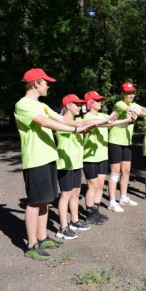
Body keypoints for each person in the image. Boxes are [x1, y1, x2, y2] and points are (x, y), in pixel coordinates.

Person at [14, 68, 95, 260]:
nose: (48, 86)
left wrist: (87, 125)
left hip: (50, 158)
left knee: (45, 201)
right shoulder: (23, 105)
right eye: (45, 82)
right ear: (36, 83)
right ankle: (31, 245)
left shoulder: (42, 105)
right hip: (35, 160)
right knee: (34, 203)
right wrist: (76, 131)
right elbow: (45, 123)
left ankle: (43, 238)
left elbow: (62, 119)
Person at [54, 94, 114, 239]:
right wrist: (102, 121)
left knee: (75, 193)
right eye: (76, 104)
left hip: (76, 163)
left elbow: (87, 124)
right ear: (68, 105)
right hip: (65, 164)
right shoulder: (61, 122)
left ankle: (74, 220)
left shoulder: (77, 120)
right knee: (65, 195)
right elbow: (82, 126)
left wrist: (107, 121)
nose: (80, 107)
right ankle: (63, 227)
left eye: (80, 104)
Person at [107, 82, 146, 212]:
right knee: (115, 173)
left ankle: (123, 197)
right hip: (115, 141)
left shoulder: (134, 104)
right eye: (128, 92)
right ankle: (112, 201)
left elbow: (145, 110)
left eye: (132, 92)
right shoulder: (119, 104)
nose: (131, 95)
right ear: (122, 94)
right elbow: (137, 111)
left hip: (127, 142)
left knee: (126, 171)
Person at [82, 91, 136, 221]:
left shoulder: (102, 114)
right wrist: (110, 119)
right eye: (97, 100)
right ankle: (89, 213)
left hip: (102, 156)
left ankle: (96, 210)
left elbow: (112, 121)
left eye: (101, 100)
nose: (101, 102)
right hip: (90, 157)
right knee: (92, 186)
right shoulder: (86, 117)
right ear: (90, 103)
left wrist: (128, 120)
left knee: (100, 185)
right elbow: (103, 123)